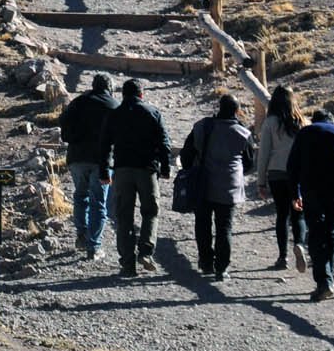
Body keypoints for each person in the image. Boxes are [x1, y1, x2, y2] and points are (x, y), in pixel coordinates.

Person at [286, 107, 334, 301]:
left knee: (315, 231)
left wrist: (294, 193)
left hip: (311, 188)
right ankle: (329, 278)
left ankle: (324, 280)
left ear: (314, 120)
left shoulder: (305, 133)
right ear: (332, 121)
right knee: (330, 232)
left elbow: (292, 166)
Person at [99, 79, 171, 277]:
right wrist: (165, 168)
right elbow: (164, 143)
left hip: (122, 171)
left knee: (124, 217)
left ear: (122, 94)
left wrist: (104, 172)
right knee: (150, 212)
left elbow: (105, 145)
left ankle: (127, 264)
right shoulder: (153, 112)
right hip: (147, 170)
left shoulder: (114, 115)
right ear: (141, 94)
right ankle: (146, 251)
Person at [179, 94, 252, 282]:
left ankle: (205, 261)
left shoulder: (202, 126)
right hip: (229, 186)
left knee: (202, 224)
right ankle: (221, 268)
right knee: (224, 227)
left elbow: (187, 153)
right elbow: (250, 163)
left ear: (218, 107)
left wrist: (190, 170)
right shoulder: (243, 132)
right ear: (237, 111)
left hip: (203, 183)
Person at [58, 74, 116, 260]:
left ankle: (81, 235)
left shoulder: (78, 102)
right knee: (98, 202)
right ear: (110, 87)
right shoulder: (113, 105)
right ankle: (94, 246)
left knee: (80, 196)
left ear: (93, 85)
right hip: (102, 161)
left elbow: (64, 128)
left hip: (77, 158)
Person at [254, 84, 307, 272]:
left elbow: (264, 154)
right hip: (298, 174)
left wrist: (261, 181)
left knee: (282, 215)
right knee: (298, 212)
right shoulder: (302, 122)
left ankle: (282, 257)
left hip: (277, 173)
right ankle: (300, 243)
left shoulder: (270, 123)